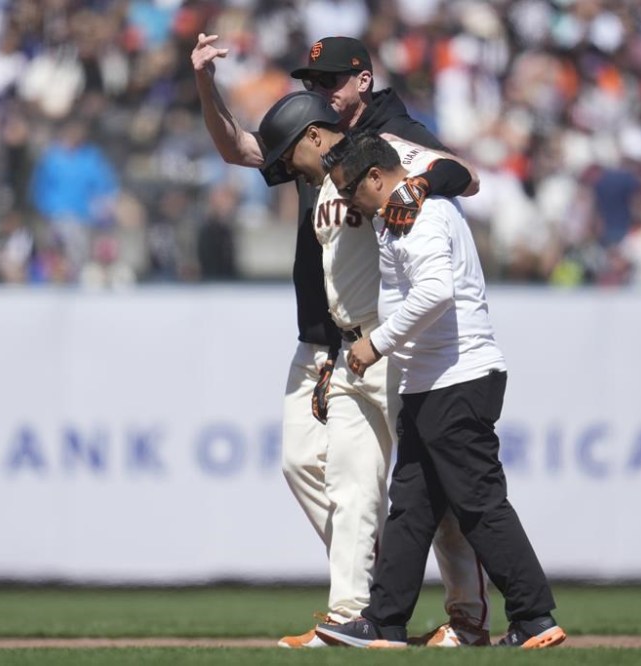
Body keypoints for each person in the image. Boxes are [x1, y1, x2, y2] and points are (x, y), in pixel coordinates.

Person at [191, 36, 491, 647]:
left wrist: (416, 188)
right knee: (330, 472)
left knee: (432, 487)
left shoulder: (389, 129)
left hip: (389, 339)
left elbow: (462, 174)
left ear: (363, 79)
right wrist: (204, 83)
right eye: (314, 80)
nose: (322, 90)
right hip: (330, 338)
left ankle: (463, 617)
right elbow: (241, 147)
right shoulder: (310, 135)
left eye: (333, 79)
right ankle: (365, 608)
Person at [315, 130, 566, 649]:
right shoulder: (404, 214)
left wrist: (375, 344)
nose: (346, 202)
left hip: (458, 377)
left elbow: (435, 292)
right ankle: (383, 623)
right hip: (433, 381)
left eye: (350, 189)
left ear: (378, 177)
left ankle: (535, 616)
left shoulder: (422, 216)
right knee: (411, 507)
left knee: (478, 504)